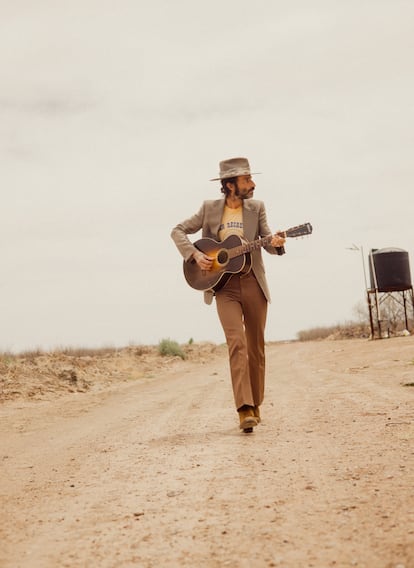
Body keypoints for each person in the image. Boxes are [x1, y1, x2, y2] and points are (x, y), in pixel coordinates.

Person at [171, 157, 286, 433]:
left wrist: (277, 244)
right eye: (247, 180)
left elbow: (267, 241)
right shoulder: (209, 209)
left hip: (254, 283)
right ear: (230, 185)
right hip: (224, 288)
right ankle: (244, 408)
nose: (253, 184)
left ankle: (256, 403)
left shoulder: (257, 208)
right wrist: (195, 255)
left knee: (256, 347)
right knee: (237, 344)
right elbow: (178, 231)